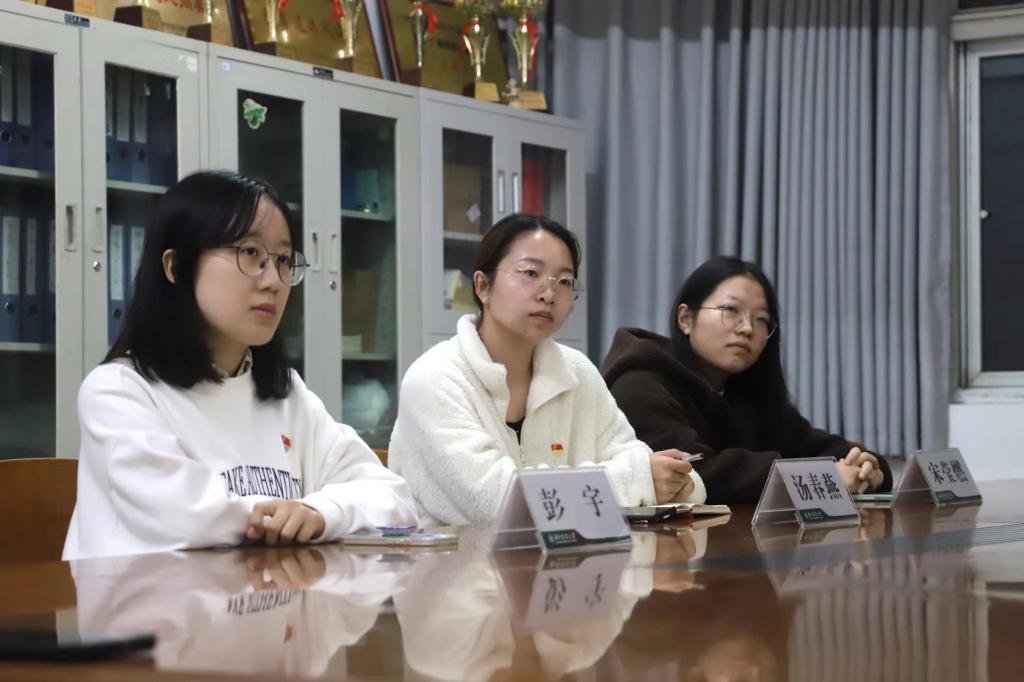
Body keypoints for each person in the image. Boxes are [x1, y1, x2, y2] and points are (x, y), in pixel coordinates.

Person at [63, 171, 417, 560]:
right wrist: (286, 519)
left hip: (269, 593)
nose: (274, 281)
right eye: (250, 253)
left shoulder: (287, 395)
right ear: (175, 267)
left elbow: (394, 498)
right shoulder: (119, 391)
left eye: (283, 260)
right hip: (152, 598)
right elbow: (184, 516)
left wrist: (321, 512)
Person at [388, 214, 705, 526]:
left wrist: (675, 482)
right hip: (454, 559)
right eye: (530, 273)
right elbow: (495, 503)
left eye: (564, 281)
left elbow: (642, 462)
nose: (549, 294)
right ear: (483, 286)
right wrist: (638, 482)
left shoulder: (577, 372)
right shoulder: (434, 378)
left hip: (569, 558)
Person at [602, 256, 891, 505]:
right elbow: (695, 472)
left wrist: (868, 467)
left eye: (761, 319)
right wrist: (820, 477)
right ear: (685, 319)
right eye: (731, 311)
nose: (747, 328)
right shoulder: (641, 382)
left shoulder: (744, 391)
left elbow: (818, 446)